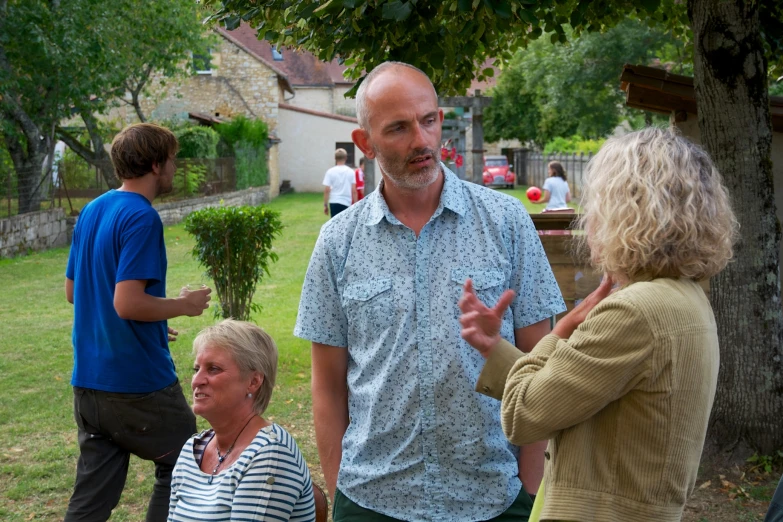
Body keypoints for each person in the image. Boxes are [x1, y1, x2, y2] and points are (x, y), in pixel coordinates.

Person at [295, 61, 566, 522]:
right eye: (398, 128)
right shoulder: (338, 242)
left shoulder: (505, 222)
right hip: (373, 499)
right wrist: (341, 488)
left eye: (427, 121)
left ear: (440, 119)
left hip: (493, 497)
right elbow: (328, 386)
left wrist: (529, 485)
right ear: (365, 142)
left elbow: (540, 361)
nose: (421, 141)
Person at [460, 127, 738, 522]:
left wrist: (562, 329)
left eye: (597, 202)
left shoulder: (634, 312)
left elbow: (524, 414)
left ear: (627, 210)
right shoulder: (685, 298)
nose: (590, 217)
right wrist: (496, 346)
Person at [64, 123, 212, 522]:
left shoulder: (94, 209)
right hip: (137, 387)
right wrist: (183, 305)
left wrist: (152, 320)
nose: (175, 167)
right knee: (186, 463)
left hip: (89, 387)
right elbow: (127, 303)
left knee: (91, 500)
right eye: (172, 160)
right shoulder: (142, 218)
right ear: (154, 164)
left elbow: (76, 293)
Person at [168, 320, 316, 521]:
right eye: (197, 369)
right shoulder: (191, 451)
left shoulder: (270, 454)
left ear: (253, 381)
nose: (196, 380)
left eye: (213, 369)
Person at [322, 148, 357, 217]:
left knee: (335, 225)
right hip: (346, 202)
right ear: (346, 158)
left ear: (335, 158)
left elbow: (327, 190)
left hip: (334, 201)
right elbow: (354, 191)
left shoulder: (330, 172)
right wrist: (356, 205)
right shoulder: (351, 172)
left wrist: (325, 205)